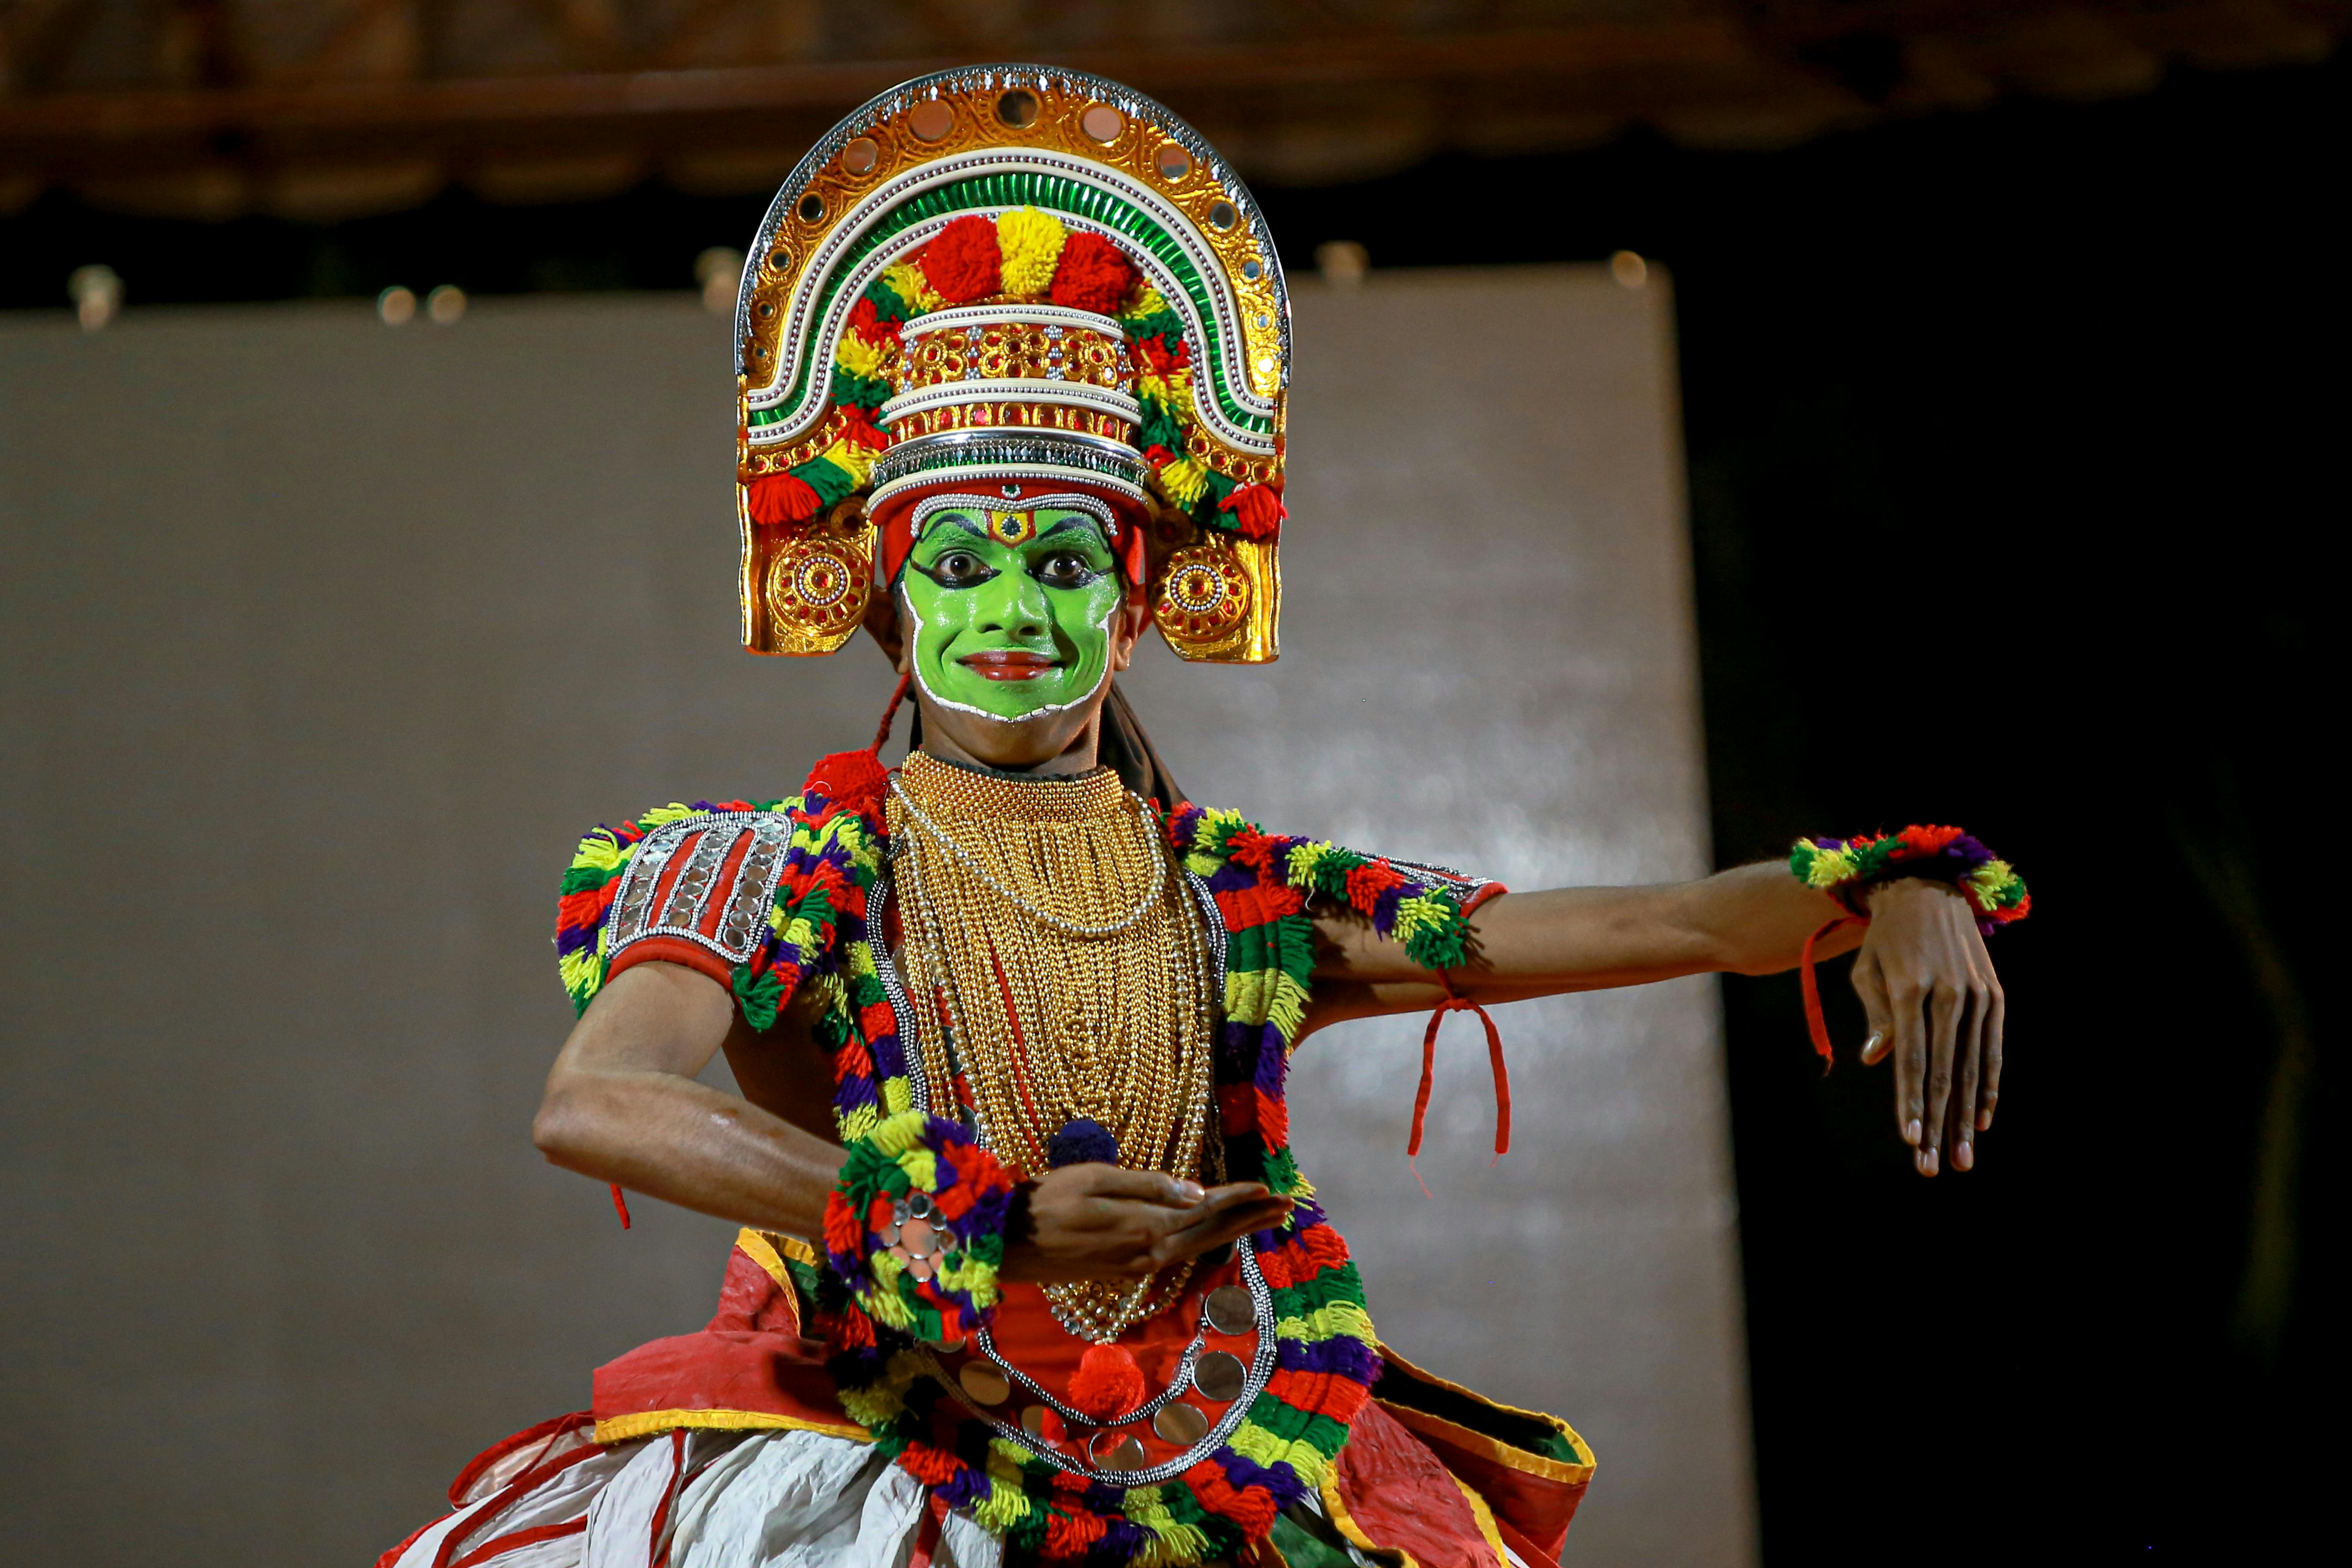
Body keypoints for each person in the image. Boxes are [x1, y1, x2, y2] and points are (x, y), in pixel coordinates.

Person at [382, 65, 2028, 1568]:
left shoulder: (1236, 900)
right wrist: (982, 1223)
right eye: (959, 564)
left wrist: (1886, 887)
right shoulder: (791, 868)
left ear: (1138, 600)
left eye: (1065, 560)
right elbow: (596, 1104)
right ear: (886, 605)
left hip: (1231, 1461)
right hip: (885, 1470)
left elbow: (1655, 920)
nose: (1013, 605)